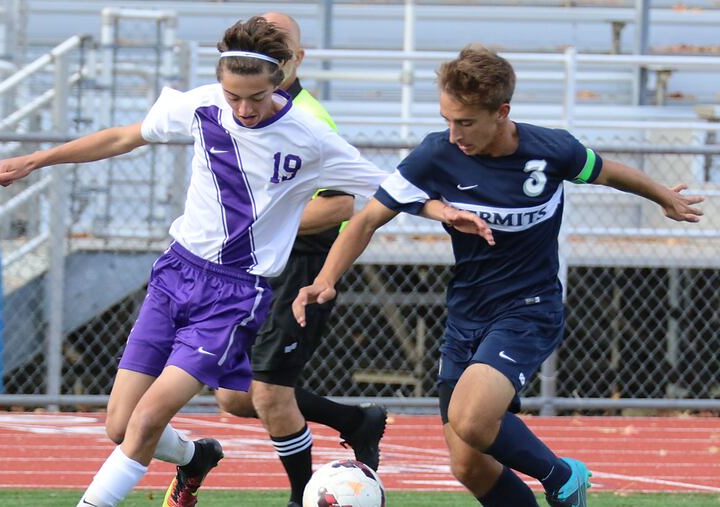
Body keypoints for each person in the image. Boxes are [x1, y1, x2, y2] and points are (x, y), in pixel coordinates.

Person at [0, 16, 397, 507]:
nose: (243, 109)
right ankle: (194, 456)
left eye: (255, 97)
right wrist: (39, 159)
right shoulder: (203, 104)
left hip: (235, 293)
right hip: (175, 273)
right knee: (121, 425)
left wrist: (450, 207)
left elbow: (387, 190)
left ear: (280, 78)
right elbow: (124, 137)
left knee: (153, 418)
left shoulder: (309, 131)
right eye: (233, 96)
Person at [293, 46, 704, 507]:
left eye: (465, 122)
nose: (454, 133)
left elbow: (609, 173)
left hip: (528, 310)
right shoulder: (436, 154)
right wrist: (326, 278)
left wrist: (663, 196)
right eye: (447, 120)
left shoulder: (551, 149)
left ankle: (563, 476)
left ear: (501, 112)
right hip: (465, 315)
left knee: (471, 420)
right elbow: (367, 219)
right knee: (468, 464)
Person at [202, 12, 387, 507]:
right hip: (257, 268)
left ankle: (300, 496)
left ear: (294, 59)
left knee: (267, 393)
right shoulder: (246, 111)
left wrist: (256, 224)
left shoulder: (307, 118)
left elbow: (339, 205)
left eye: (277, 48)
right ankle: (355, 421)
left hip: (301, 267)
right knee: (234, 394)